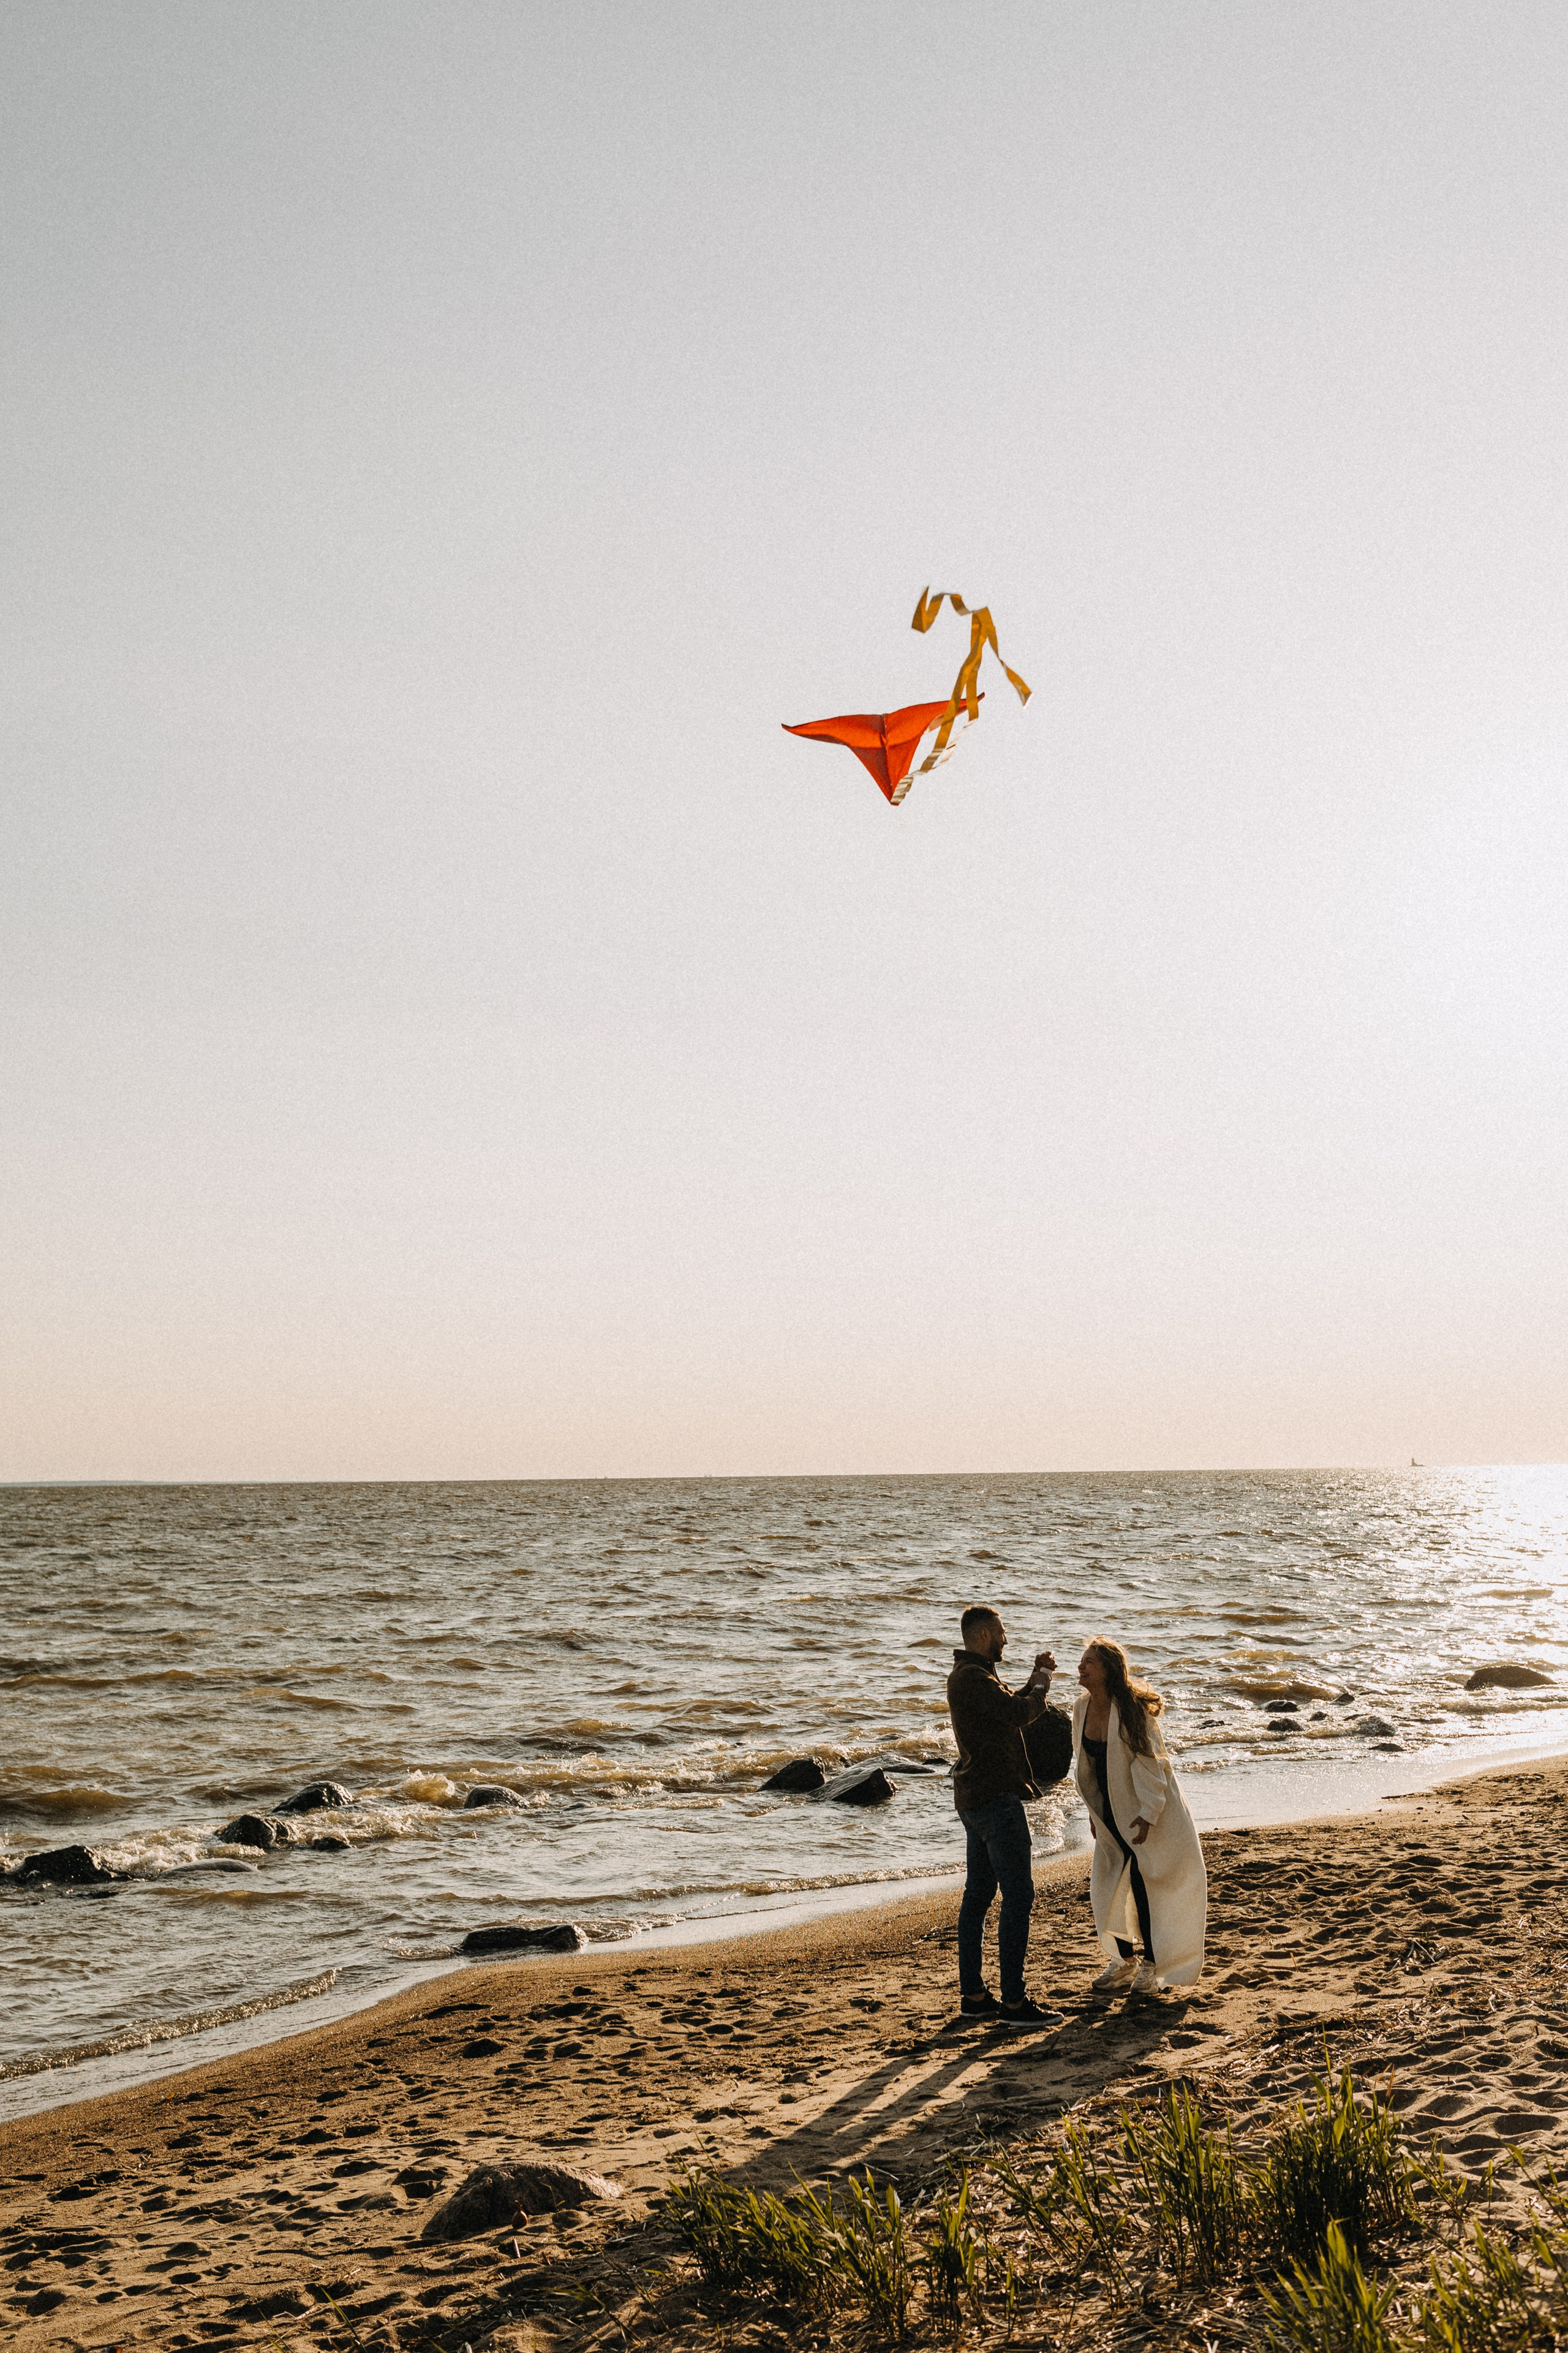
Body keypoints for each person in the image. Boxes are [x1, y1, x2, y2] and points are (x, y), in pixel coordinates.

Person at [946, 1606, 1065, 2026]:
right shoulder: (972, 1679)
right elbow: (1019, 1713)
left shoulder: (974, 1676)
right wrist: (1044, 1683)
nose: (1006, 1639)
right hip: (994, 1799)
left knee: (978, 1895)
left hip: (977, 1798)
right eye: (1000, 1632)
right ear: (982, 1634)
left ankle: (975, 1995)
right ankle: (1014, 2002)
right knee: (1018, 1895)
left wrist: (1035, 1678)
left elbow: (1008, 1706)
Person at [1072, 1638, 1207, 1995]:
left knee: (1147, 1885)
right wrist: (1093, 1813)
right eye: (1081, 1661)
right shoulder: (1081, 1707)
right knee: (1108, 1887)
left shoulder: (1131, 1709)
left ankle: (1151, 1964)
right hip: (1109, 1814)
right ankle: (1124, 1961)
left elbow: (1151, 1765)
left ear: (1108, 1671)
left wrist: (1148, 1814)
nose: (1081, 1667)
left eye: (1089, 1663)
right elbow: (1088, 1768)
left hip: (1146, 1813)